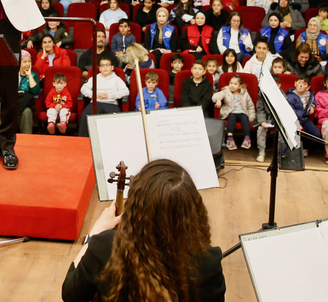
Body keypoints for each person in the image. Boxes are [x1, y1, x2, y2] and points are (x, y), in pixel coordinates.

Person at [62, 159, 225, 302]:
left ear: (135, 205)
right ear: (193, 210)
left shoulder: (104, 247)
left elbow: (70, 294)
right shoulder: (209, 263)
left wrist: (95, 234)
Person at [78, 58, 129, 137]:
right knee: (85, 116)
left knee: (116, 118)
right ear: (100, 68)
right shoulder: (94, 78)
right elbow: (83, 89)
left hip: (111, 103)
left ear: (112, 68)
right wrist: (94, 95)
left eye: (107, 65)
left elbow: (125, 91)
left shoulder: (117, 79)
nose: (105, 67)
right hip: (96, 103)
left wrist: (110, 96)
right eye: (102, 65)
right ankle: (83, 140)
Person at [214, 74, 256, 151]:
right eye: (231, 83)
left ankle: (247, 138)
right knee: (232, 117)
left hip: (242, 112)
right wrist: (218, 99)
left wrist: (251, 116)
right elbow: (216, 95)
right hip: (230, 112)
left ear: (240, 86)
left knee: (244, 117)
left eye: (235, 84)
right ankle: (230, 139)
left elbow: (250, 106)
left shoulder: (245, 93)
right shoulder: (226, 91)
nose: (232, 85)